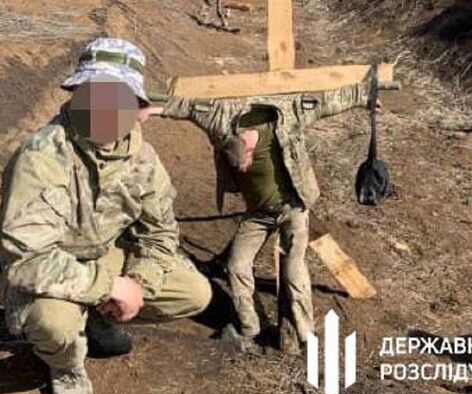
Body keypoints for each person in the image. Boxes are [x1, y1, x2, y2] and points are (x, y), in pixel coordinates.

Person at [0, 38, 212, 394]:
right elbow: (27, 261)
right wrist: (110, 286)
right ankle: (66, 366)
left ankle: (97, 317)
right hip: (37, 265)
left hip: (100, 254)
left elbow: (159, 235)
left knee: (193, 292)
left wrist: (138, 284)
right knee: (52, 323)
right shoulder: (42, 156)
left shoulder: (143, 159)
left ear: (140, 110)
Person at [159, 84, 378, 353]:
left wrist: (364, 97)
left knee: (293, 270)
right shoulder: (222, 125)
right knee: (237, 265)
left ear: (251, 151)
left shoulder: (284, 122)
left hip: (292, 210)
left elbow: (325, 103)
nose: (244, 171)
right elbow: (190, 109)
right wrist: (148, 108)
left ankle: (306, 333)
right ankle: (251, 329)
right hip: (258, 216)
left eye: (245, 166)